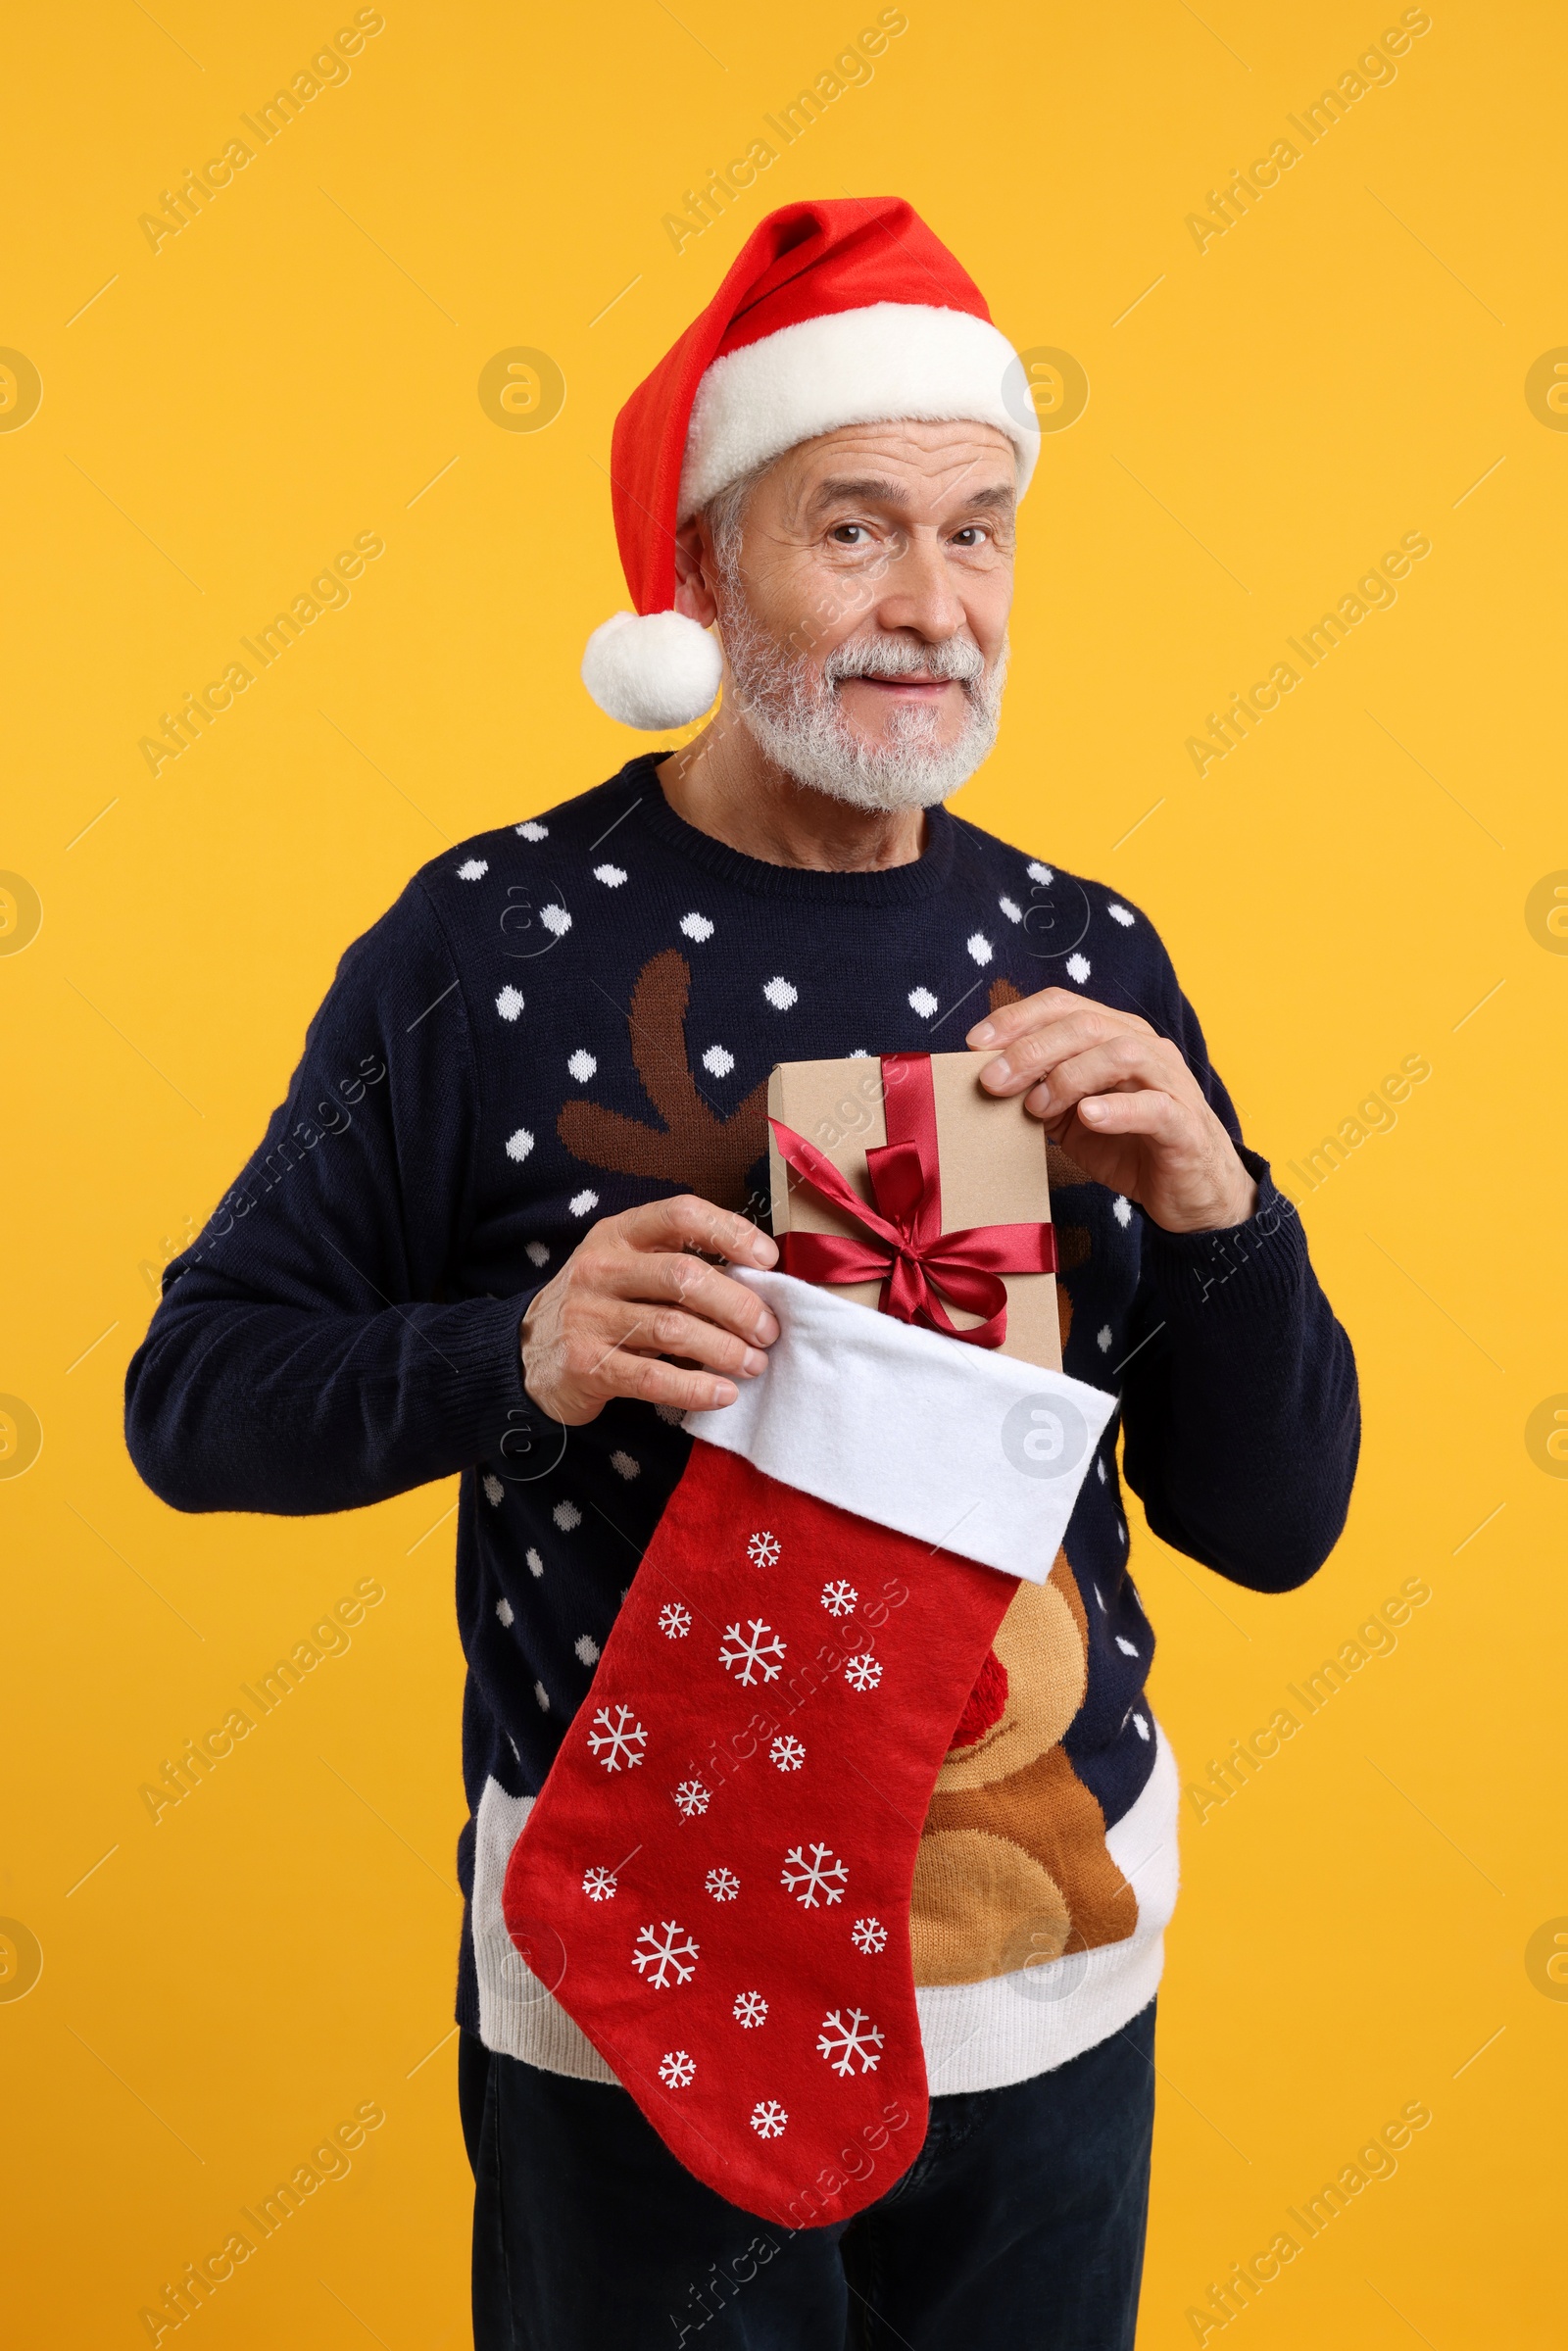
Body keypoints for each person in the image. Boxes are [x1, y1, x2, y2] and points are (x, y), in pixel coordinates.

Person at [125, 197, 1359, 2349]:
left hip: (1040, 1986)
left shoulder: (1081, 956)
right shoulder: (484, 947)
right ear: (697, 569)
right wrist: (514, 1354)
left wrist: (1213, 1212)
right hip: (642, 1987)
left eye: (975, 535)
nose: (930, 608)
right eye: (853, 529)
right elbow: (195, 1397)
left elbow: (1274, 1524)